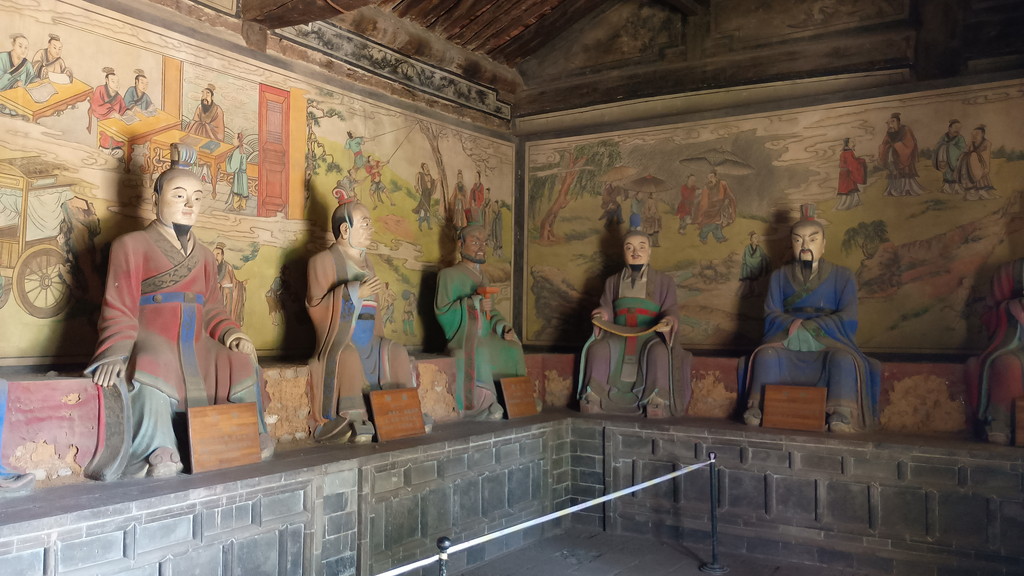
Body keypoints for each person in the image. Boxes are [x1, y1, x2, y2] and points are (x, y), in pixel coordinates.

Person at [85, 144, 272, 479]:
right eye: (179, 195)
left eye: (197, 198)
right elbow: (119, 306)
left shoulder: (205, 256)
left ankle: (246, 434)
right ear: (156, 199)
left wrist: (231, 333)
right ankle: (157, 447)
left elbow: (212, 308)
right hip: (153, 337)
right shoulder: (130, 245)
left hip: (198, 343)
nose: (190, 205)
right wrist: (114, 351)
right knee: (153, 361)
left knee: (239, 362)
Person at [740, 204, 881, 433]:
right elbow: (771, 313)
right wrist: (795, 326)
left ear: (824, 244)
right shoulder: (779, 277)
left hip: (828, 339)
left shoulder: (843, 276)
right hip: (789, 337)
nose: (805, 246)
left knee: (842, 360)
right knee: (766, 355)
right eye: (798, 240)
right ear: (791, 244)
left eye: (812, 239)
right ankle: (758, 407)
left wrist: (814, 327)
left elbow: (849, 316)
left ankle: (841, 413)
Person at [306, 194, 414, 442]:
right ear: (345, 230)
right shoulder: (321, 262)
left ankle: (403, 409)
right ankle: (354, 417)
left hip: (369, 338)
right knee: (349, 357)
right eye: (365, 224)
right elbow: (316, 308)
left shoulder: (368, 264)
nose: (371, 229)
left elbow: (374, 311)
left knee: (396, 352)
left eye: (370, 224)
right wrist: (355, 292)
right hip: (340, 340)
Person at [578, 229, 692, 417]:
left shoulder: (664, 281)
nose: (635, 252)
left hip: (649, 334)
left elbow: (670, 308)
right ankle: (594, 396)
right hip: (618, 333)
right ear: (623, 252)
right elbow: (606, 307)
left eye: (641, 247)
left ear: (650, 251)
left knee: (659, 352)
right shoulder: (612, 281)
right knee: (597, 349)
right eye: (629, 247)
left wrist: (668, 320)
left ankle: (656, 399)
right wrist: (601, 314)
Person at [434, 222, 525, 419]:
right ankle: (484, 405)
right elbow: (443, 311)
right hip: (464, 337)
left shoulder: (483, 278)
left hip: (486, 334)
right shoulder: (448, 275)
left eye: (484, 243)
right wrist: (474, 303)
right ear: (461, 245)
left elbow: (491, 312)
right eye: (475, 242)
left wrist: (503, 327)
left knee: (513, 348)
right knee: (480, 350)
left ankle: (517, 400)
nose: (481, 248)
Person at [966, 258, 1024, 444]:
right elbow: (990, 312)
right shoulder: (1011, 271)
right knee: (1007, 365)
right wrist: (1014, 307)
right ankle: (1000, 425)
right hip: (1015, 341)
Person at [877, 112, 924, 197]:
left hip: (903, 156)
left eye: (893, 121)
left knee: (905, 172)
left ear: (898, 122)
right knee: (893, 171)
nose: (890, 125)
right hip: (892, 157)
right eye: (889, 123)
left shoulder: (905, 130)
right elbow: (884, 144)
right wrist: (886, 149)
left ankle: (906, 189)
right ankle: (893, 189)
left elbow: (910, 144)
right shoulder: (889, 132)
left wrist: (897, 146)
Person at [87, 67, 127, 150]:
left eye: (117, 82)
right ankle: (105, 147)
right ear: (107, 81)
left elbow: (123, 108)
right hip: (99, 116)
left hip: (113, 121)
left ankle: (114, 147)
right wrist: (112, 113)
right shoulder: (100, 89)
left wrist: (127, 111)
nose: (116, 84)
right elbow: (96, 106)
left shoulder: (118, 97)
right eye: (113, 81)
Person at [957, 124, 998, 201]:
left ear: (982, 134)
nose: (975, 135)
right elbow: (964, 152)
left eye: (977, 133)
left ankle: (982, 194)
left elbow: (987, 156)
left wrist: (987, 168)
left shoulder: (987, 143)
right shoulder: (970, 143)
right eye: (973, 133)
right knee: (971, 179)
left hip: (981, 166)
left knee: (982, 179)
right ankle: (972, 195)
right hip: (970, 167)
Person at [695, 169, 736, 244]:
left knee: (717, 225)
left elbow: (729, 195)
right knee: (709, 226)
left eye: (711, 177)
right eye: (708, 178)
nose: (710, 179)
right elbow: (703, 203)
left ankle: (719, 238)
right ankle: (702, 237)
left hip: (719, 210)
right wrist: (701, 214)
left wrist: (729, 203)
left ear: (715, 177)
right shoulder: (706, 188)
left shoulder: (723, 184)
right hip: (709, 211)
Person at [214, 242, 246, 325]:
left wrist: (241, 284)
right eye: (214, 254)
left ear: (222, 256)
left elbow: (234, 281)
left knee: (227, 317)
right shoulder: (211, 267)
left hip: (228, 296)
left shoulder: (228, 267)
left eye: (218, 254)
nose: (215, 257)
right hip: (216, 297)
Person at [933, 119, 966, 195]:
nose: (957, 130)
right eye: (955, 127)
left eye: (959, 128)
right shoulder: (944, 137)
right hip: (945, 159)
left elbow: (962, 148)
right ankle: (946, 187)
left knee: (956, 173)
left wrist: (949, 147)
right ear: (949, 128)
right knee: (947, 172)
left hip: (956, 160)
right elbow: (938, 145)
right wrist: (944, 147)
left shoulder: (960, 138)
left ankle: (956, 188)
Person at [835, 138, 867, 211]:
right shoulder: (849, 153)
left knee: (849, 188)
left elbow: (851, 162)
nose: (854, 144)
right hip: (848, 173)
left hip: (843, 173)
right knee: (849, 189)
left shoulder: (843, 152)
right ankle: (846, 205)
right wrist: (861, 161)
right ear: (848, 144)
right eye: (852, 143)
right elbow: (852, 164)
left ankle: (855, 201)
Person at [738, 231, 770, 298]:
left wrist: (766, 259)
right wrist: (757, 260)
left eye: (757, 238)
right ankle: (748, 292)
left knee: (755, 281)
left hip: (756, 267)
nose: (757, 239)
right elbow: (747, 259)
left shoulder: (759, 248)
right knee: (749, 281)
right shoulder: (747, 248)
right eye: (755, 238)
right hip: (748, 267)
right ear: (751, 239)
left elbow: (763, 256)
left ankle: (756, 292)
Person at [225, 131, 250, 211]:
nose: (232, 140)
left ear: (238, 140)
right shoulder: (242, 149)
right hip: (243, 175)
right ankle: (243, 206)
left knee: (237, 190)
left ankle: (236, 206)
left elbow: (233, 167)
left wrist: (227, 158)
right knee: (243, 190)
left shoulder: (237, 152)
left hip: (239, 175)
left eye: (234, 138)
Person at [414, 162, 435, 230]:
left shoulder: (430, 176)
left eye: (427, 166)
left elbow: (433, 184)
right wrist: (417, 186)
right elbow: (417, 175)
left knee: (427, 211)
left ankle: (429, 226)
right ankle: (420, 226)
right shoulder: (421, 174)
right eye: (425, 167)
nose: (427, 168)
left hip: (428, 195)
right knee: (423, 210)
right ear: (423, 169)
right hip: (424, 194)